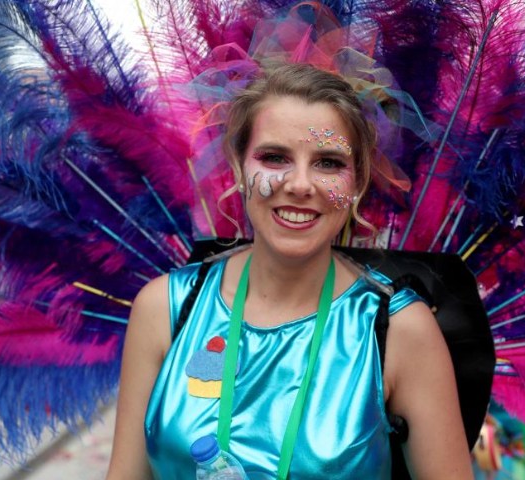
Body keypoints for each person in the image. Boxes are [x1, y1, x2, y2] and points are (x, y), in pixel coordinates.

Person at [104, 63, 473, 480]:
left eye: (328, 162)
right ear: (240, 167)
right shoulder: (165, 309)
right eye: (275, 157)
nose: (300, 184)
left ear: (357, 182)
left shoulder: (400, 331)